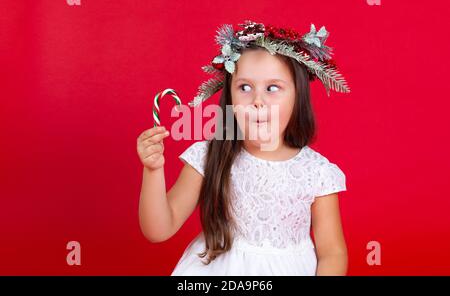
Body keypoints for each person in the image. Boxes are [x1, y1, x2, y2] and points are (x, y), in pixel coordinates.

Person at [136, 20, 351, 275]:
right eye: (245, 87)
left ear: (297, 96)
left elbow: (332, 253)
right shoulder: (209, 155)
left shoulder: (316, 172)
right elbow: (159, 230)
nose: (257, 101)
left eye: (273, 88)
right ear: (230, 96)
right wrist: (152, 170)